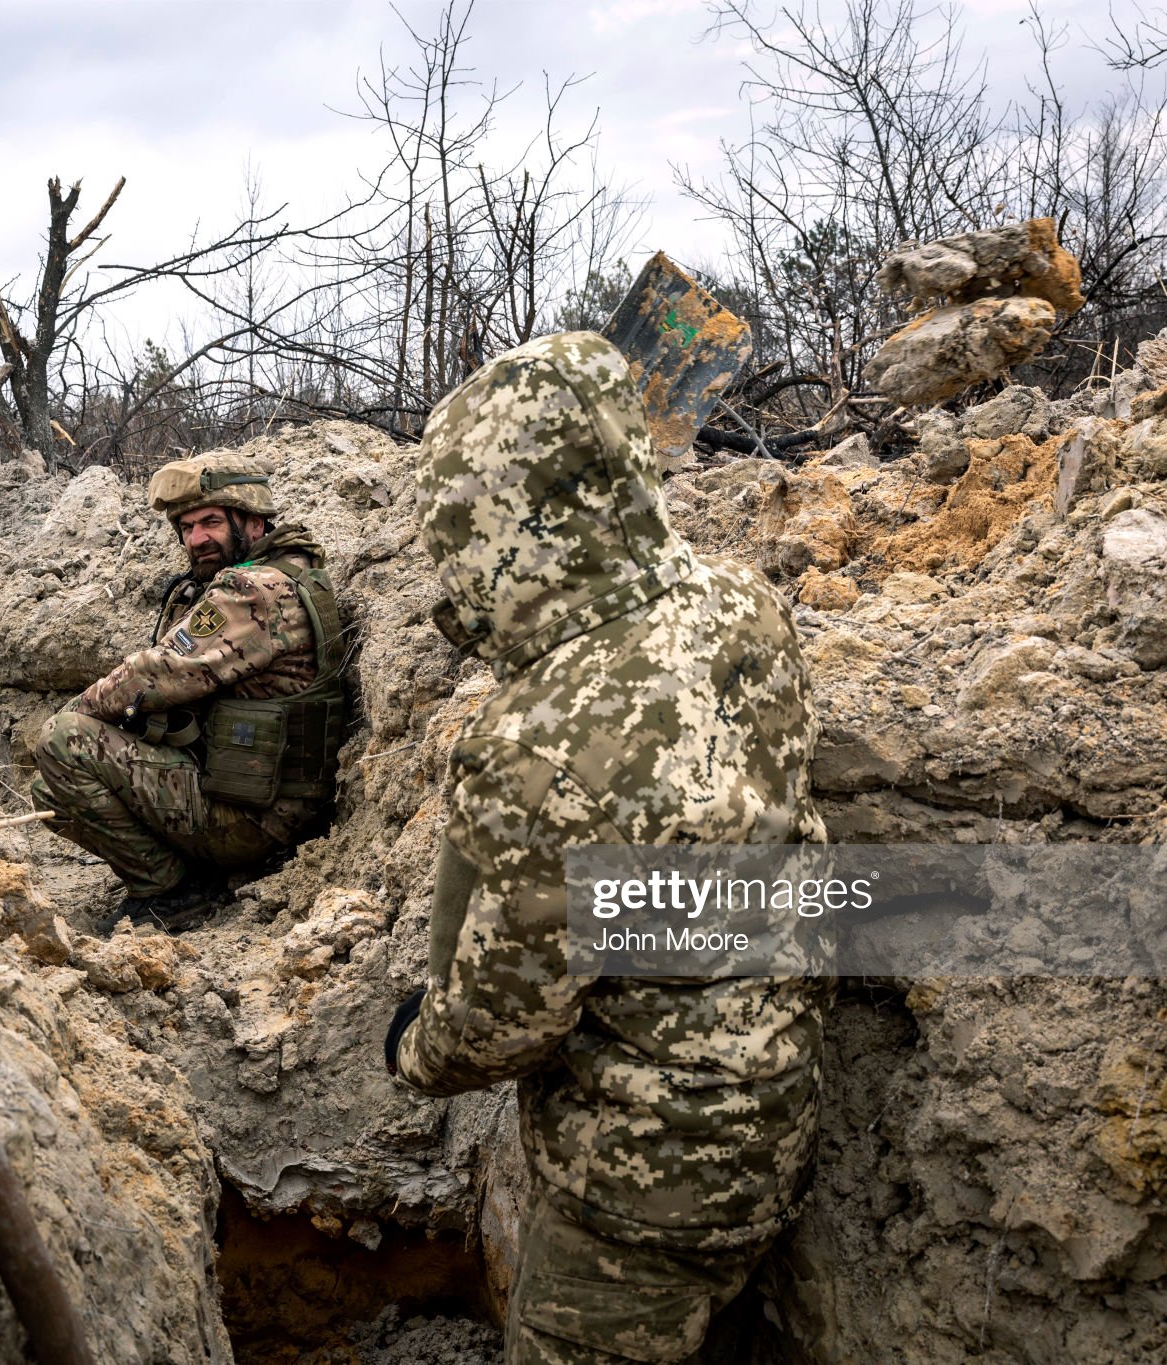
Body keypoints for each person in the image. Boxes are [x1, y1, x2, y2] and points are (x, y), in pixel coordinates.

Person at [382, 330, 828, 1364]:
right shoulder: (737, 604)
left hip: (638, 1185)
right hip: (780, 1111)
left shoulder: (533, 741)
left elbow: (503, 1020)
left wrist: (413, 1047)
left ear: (494, 527)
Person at [29, 453, 348, 927]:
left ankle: (174, 890)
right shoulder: (291, 572)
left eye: (212, 522)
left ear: (255, 521)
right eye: (187, 527)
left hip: (255, 821)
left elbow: (152, 676)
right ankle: (189, 872)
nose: (197, 539)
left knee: (62, 741)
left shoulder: (252, 590)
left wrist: (83, 710)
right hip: (269, 803)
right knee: (50, 791)